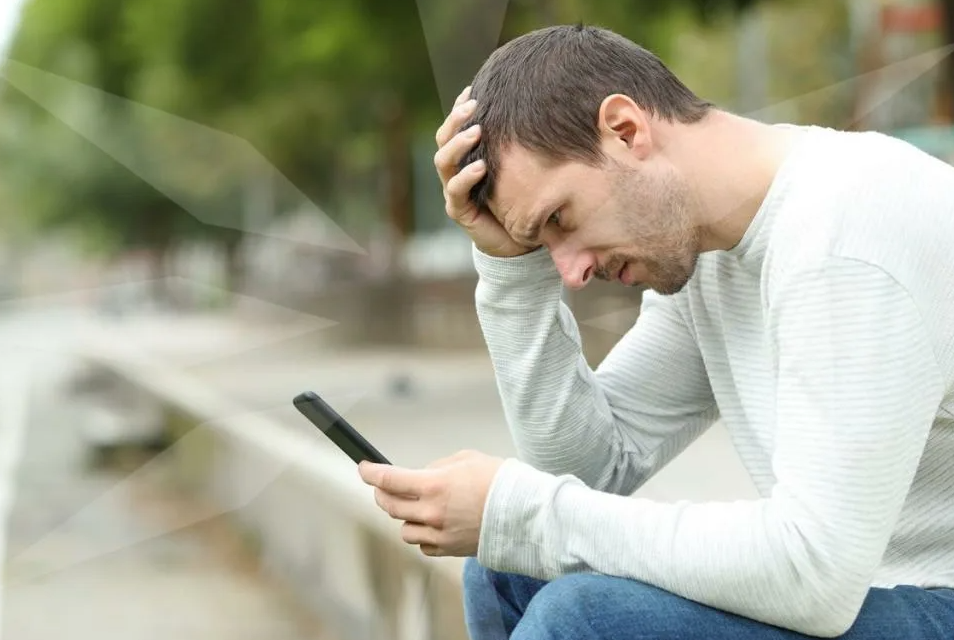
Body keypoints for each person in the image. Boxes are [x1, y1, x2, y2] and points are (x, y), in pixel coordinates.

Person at [357, 23, 954, 639]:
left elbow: (812, 572)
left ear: (625, 130)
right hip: (868, 595)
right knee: (505, 568)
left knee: (581, 617)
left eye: (560, 218)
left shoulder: (845, 233)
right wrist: (511, 268)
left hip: (924, 595)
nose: (571, 273)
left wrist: (523, 513)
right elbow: (590, 469)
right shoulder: (710, 253)